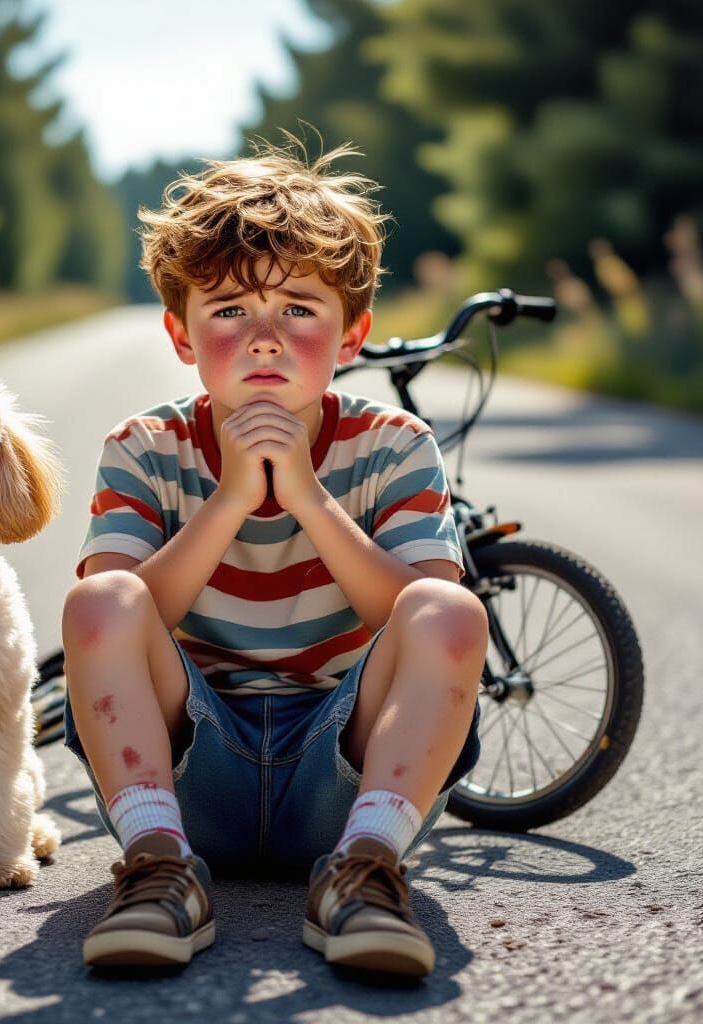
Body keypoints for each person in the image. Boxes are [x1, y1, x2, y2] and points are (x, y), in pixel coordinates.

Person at [60, 139, 488, 977]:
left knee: (452, 609)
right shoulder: (145, 446)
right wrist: (228, 500)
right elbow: (127, 616)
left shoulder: (394, 445)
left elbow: (418, 618)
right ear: (180, 335)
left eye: (298, 309)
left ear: (352, 333)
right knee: (99, 601)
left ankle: (365, 872)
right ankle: (159, 869)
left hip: (347, 771)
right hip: (191, 769)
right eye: (227, 311)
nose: (264, 340)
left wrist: (307, 495)